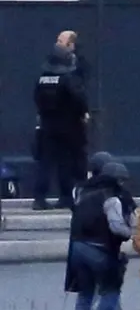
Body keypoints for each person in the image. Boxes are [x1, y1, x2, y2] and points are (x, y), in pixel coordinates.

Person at [66, 162, 135, 310]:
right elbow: (117, 228)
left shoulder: (82, 192)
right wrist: (130, 231)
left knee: (85, 293)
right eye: (121, 180)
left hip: (77, 248)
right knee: (111, 292)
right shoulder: (111, 198)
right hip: (100, 249)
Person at [32, 43, 89, 210]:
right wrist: (83, 113)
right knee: (65, 162)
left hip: (47, 125)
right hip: (68, 125)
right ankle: (65, 196)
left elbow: (36, 99)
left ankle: (39, 197)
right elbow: (79, 99)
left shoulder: (42, 78)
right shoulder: (68, 79)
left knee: (45, 163)